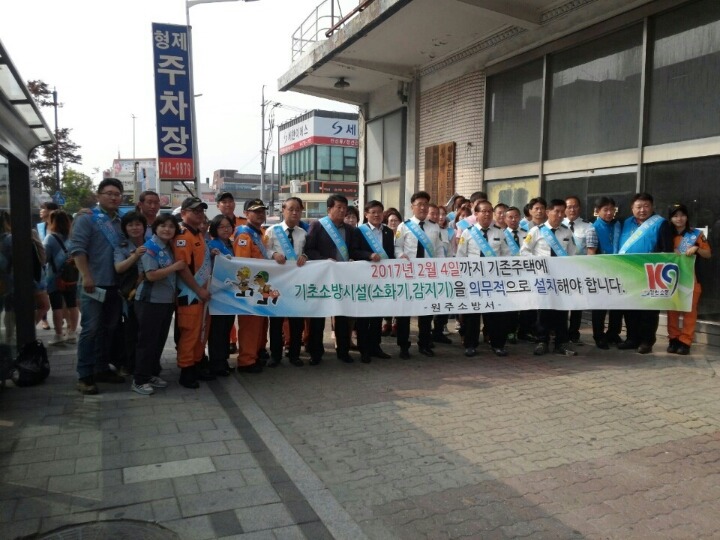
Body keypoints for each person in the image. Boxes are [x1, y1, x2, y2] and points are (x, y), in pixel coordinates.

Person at [70, 178, 127, 395]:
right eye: (109, 193)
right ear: (99, 195)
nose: (113, 197)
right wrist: (86, 276)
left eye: (117, 194)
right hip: (92, 285)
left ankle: (101, 368)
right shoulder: (87, 219)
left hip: (114, 285)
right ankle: (84, 375)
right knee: (91, 329)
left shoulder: (121, 221)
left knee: (108, 329)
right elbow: (78, 249)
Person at [132, 214, 186, 395]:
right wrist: (174, 267)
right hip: (150, 302)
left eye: (171, 226)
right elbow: (151, 275)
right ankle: (139, 380)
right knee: (147, 342)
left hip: (166, 301)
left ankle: (151, 374)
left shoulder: (169, 247)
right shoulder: (150, 247)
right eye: (163, 225)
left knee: (158, 341)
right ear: (155, 228)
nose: (167, 229)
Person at [617, 193, 673, 354]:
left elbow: (667, 250)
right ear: (632, 208)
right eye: (638, 207)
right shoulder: (626, 222)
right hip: (628, 273)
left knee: (649, 310)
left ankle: (647, 341)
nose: (642, 210)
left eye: (646, 206)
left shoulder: (661, 223)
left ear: (652, 207)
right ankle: (632, 338)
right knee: (630, 308)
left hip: (650, 273)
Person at [521, 198, 577, 357]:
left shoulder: (567, 232)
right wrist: (539, 263)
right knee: (543, 310)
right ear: (548, 212)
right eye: (556, 211)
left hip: (561, 278)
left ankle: (561, 343)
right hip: (543, 277)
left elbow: (573, 254)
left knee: (561, 311)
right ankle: (542, 341)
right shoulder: (536, 231)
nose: (559, 215)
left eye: (562, 212)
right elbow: (524, 252)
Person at [305, 194, 357, 364]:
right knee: (318, 318)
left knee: (342, 316)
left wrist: (353, 259)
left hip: (342, 278)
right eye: (338, 207)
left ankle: (343, 351)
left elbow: (354, 251)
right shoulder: (318, 226)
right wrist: (324, 260)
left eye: (344, 208)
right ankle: (316, 353)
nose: (342, 211)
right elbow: (309, 250)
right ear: (329, 209)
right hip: (322, 278)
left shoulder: (349, 230)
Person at [456, 199, 512, 357]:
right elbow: (461, 256)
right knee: (472, 315)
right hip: (473, 280)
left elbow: (506, 255)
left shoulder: (499, 232)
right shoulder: (468, 233)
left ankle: (498, 345)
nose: (487, 214)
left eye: (489, 211)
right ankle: (470, 345)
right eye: (483, 211)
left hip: (494, 281)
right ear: (476, 214)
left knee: (495, 315)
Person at [394, 190, 444, 358]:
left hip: (428, 275)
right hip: (408, 275)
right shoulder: (404, 226)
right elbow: (397, 246)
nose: (423, 208)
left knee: (426, 312)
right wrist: (401, 255)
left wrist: (440, 266)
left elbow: (439, 249)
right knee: (404, 313)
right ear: (412, 207)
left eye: (425, 204)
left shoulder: (434, 227)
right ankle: (403, 346)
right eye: (419, 204)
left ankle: (424, 343)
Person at [173, 197, 214, 388]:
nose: (199, 214)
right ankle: (186, 369)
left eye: (201, 211)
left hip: (201, 294)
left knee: (200, 332)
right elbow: (182, 268)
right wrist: (198, 289)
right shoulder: (183, 236)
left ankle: (197, 364)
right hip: (188, 294)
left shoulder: (198, 234)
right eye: (194, 211)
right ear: (183, 213)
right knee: (190, 333)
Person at [265, 196, 308, 367]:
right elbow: (264, 250)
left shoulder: (303, 233)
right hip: (277, 283)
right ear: (283, 210)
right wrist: (273, 254)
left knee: (297, 322)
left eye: (298, 209)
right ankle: (275, 355)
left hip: (296, 282)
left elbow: (307, 252)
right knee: (276, 321)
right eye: (291, 209)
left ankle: (294, 354)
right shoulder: (271, 231)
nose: (294, 212)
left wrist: (305, 256)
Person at [666, 203, 711, 355]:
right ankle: (673, 339)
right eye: (675, 216)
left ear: (687, 217)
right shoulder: (666, 235)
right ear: (670, 218)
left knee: (689, 311)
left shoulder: (696, 234)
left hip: (692, 279)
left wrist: (697, 248)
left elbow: (708, 254)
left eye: (682, 215)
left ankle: (685, 341)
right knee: (672, 311)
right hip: (671, 279)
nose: (679, 219)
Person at [354, 200, 395, 363]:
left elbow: (391, 254)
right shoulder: (359, 231)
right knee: (364, 316)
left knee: (378, 315)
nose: (377, 215)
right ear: (366, 214)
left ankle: (376, 347)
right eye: (373, 212)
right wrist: (369, 255)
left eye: (379, 212)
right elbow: (353, 251)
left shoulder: (388, 232)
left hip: (381, 279)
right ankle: (364, 349)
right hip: (364, 278)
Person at [234, 198, 270, 373]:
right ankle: (246, 361)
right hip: (250, 290)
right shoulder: (244, 234)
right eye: (256, 211)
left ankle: (255, 354)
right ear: (246, 214)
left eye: (262, 211)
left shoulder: (260, 232)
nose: (260, 214)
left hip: (260, 288)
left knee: (260, 325)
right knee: (250, 326)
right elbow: (243, 266)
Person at [113, 211, 148, 377]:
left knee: (147, 332)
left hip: (150, 295)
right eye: (130, 225)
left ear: (144, 227)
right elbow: (119, 268)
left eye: (138, 224)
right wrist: (135, 256)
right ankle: (130, 364)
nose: (135, 228)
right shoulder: (121, 247)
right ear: (125, 228)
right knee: (130, 331)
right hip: (130, 296)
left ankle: (147, 364)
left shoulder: (152, 244)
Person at [586, 196, 623, 349]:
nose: (609, 213)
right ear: (597, 211)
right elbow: (591, 253)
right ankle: (599, 336)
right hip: (601, 271)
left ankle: (613, 333)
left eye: (611, 210)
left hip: (618, 270)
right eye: (605, 210)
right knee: (600, 306)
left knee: (618, 306)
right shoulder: (592, 228)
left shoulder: (618, 225)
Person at [215, 191, 246, 354]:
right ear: (218, 205)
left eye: (230, 201)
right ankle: (231, 341)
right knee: (225, 313)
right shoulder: (214, 226)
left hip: (244, 275)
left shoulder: (244, 223)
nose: (227, 204)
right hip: (224, 278)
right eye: (223, 202)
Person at [206, 214, 236, 376]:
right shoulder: (213, 245)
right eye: (221, 227)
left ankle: (223, 360)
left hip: (230, 294)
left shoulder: (231, 244)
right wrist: (211, 254)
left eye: (228, 226)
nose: (225, 229)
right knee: (217, 330)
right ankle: (216, 363)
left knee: (226, 328)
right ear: (214, 229)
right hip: (217, 294)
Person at [43, 210, 79, 345]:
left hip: (54, 278)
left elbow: (44, 258)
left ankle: (59, 335)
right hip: (71, 276)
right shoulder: (73, 238)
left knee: (57, 306)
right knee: (72, 304)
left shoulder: (50, 238)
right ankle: (72, 333)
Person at [563, 195, 592, 345]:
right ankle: (560, 332)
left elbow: (591, 250)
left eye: (575, 206)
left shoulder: (588, 226)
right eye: (569, 207)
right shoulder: (558, 225)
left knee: (577, 304)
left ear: (579, 208)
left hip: (579, 270)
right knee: (561, 303)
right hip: (561, 271)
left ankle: (574, 333)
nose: (572, 209)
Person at [503, 206, 532, 343]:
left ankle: (524, 331)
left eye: (516, 217)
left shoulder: (527, 233)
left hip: (525, 273)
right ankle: (510, 331)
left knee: (526, 304)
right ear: (505, 219)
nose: (513, 220)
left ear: (520, 218)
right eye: (510, 217)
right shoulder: (501, 234)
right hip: (508, 274)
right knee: (511, 305)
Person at [381, 207, 403, 337]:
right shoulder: (385, 234)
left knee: (399, 297)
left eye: (396, 220)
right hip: (387, 271)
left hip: (400, 272)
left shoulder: (403, 233)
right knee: (388, 297)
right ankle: (387, 322)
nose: (393, 223)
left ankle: (396, 323)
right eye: (391, 221)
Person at [36, 201, 58, 330]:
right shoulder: (39, 227)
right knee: (43, 294)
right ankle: (44, 320)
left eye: (43, 208)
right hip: (42, 264)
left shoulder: (59, 225)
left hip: (57, 264)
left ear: (51, 211)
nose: (41, 211)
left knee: (56, 293)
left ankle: (60, 317)